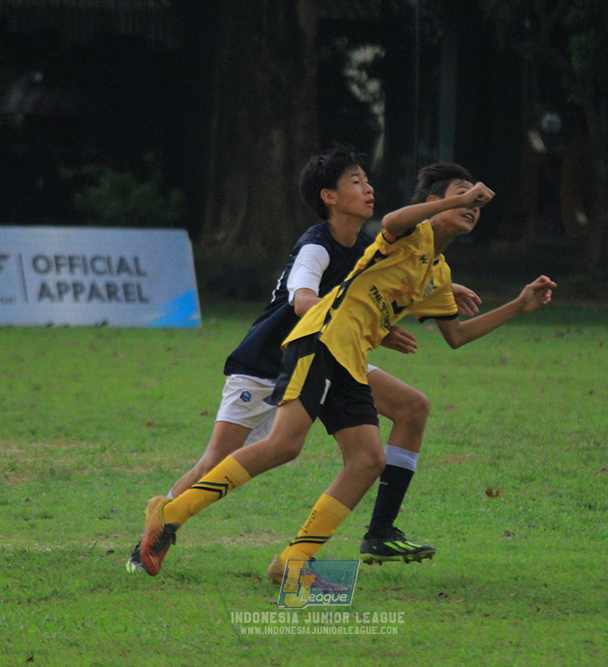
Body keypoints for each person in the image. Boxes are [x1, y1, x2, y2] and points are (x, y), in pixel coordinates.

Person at [138, 161, 556, 580]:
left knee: (368, 461)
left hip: (351, 357)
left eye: (474, 201)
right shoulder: (412, 231)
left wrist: (518, 306)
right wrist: (462, 196)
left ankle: (292, 562)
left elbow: (457, 336)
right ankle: (170, 512)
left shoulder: (438, 272)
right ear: (433, 203)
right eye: (460, 196)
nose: (471, 206)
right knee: (285, 445)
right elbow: (390, 221)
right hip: (321, 340)